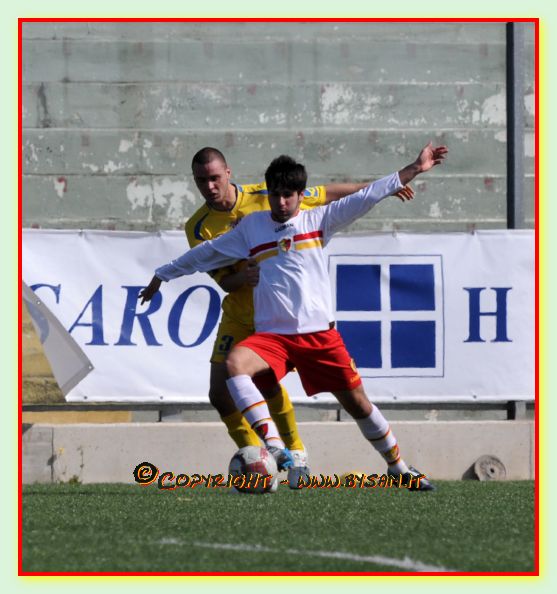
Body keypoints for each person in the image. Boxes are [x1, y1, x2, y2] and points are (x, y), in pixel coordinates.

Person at [141, 142, 447, 490]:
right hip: (273, 338)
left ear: (302, 195)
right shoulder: (251, 228)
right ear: (268, 194)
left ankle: (398, 467)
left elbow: (368, 195)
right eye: (275, 195)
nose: (281, 202)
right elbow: (205, 254)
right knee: (234, 365)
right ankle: (275, 447)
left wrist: (414, 168)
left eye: (288, 195)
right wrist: (161, 275)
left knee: (358, 404)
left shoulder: (319, 219)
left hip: (319, 336)